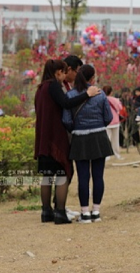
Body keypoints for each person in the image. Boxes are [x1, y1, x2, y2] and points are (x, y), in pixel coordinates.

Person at [34, 59, 99, 224]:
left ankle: (46, 211)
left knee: (47, 176)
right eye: (62, 72)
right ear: (57, 72)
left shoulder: (40, 89)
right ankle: (60, 212)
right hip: (55, 137)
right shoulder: (53, 85)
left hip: (43, 139)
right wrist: (87, 95)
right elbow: (66, 103)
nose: (64, 76)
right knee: (63, 172)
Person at [63, 65, 113, 223]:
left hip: (80, 138)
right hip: (99, 136)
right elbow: (108, 116)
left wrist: (75, 128)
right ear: (93, 78)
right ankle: (96, 211)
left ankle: (84, 213)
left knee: (83, 177)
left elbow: (66, 120)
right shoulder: (100, 93)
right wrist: (99, 125)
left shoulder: (70, 95)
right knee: (99, 176)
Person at [102, 85, 124, 160]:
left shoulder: (102, 99)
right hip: (115, 121)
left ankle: (106, 155)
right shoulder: (116, 100)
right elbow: (120, 108)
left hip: (106, 122)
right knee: (115, 139)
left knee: (107, 139)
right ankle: (117, 154)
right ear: (111, 92)